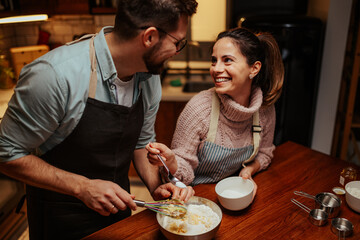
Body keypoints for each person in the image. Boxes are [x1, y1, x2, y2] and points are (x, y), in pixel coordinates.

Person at [0, 0, 198, 239]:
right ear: (149, 38)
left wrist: (157, 186)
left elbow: (141, 142)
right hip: (59, 219)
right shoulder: (53, 76)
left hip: (119, 212)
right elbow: (6, 153)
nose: (177, 52)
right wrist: (82, 187)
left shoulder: (148, 73)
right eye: (177, 43)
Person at [146, 27, 284, 198]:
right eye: (214, 60)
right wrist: (172, 163)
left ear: (254, 68)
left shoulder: (264, 110)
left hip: (231, 194)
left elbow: (265, 152)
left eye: (227, 60)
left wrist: (249, 170)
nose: (216, 69)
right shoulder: (199, 109)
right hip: (195, 197)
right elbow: (182, 167)